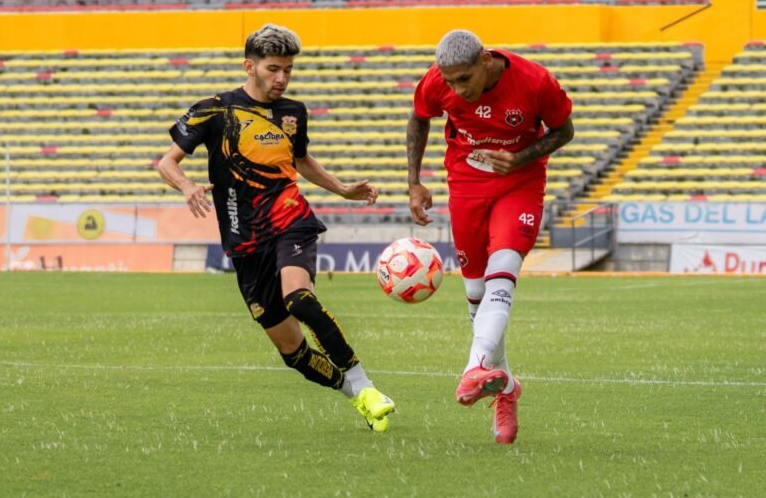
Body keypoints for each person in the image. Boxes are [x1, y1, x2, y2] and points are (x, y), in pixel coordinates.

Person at [157, 23, 395, 432]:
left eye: (288, 69)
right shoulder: (214, 110)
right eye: (273, 69)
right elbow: (167, 162)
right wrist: (187, 186)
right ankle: (356, 395)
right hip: (245, 242)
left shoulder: (293, 112)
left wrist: (342, 188)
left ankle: (365, 384)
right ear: (249, 66)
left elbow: (301, 160)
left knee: (300, 300)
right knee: (293, 353)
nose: (282, 78)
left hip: (290, 220)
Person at [406, 29, 574, 444]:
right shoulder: (437, 81)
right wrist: (414, 182)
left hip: (520, 184)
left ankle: (473, 368)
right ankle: (506, 388)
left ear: (485, 59)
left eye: (465, 79)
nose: (458, 90)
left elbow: (563, 131)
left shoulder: (535, 82)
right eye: (451, 82)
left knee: (504, 271)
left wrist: (519, 158)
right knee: (476, 295)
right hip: (465, 184)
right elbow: (419, 118)